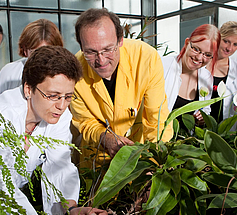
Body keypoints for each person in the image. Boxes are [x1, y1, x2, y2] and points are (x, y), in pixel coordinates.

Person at [0, 46, 118, 215]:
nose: (61, 106)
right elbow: (0, 186)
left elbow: (59, 164)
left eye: (68, 97)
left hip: (3, 213)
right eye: (53, 95)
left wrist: (71, 209)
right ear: (28, 89)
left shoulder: (58, 116)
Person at [70, 8, 172, 167]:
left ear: (120, 40)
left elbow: (156, 119)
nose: (101, 60)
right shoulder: (75, 70)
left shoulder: (145, 59)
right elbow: (84, 122)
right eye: (91, 52)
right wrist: (105, 137)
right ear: (81, 47)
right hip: (96, 156)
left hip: (139, 152)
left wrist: (156, 163)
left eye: (107, 49)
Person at [162, 24, 220, 127]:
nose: (199, 57)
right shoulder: (163, 66)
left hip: (187, 140)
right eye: (196, 49)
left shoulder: (206, 78)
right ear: (187, 43)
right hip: (158, 138)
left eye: (207, 55)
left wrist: (202, 117)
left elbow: (206, 108)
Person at [0, 19, 64, 95]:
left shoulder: (64, 75)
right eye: (35, 52)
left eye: (47, 53)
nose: (41, 58)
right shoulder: (8, 73)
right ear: (25, 50)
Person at [206, 21, 237, 126]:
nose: (229, 48)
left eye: (235, 44)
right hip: (197, 133)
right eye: (226, 41)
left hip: (226, 136)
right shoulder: (201, 65)